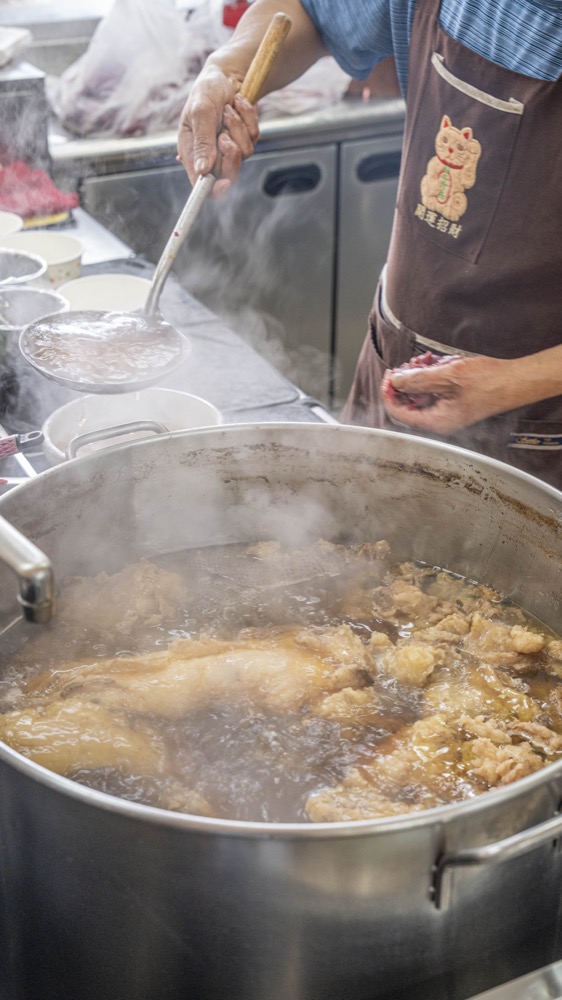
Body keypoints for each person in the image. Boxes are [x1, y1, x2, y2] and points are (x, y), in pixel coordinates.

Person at [178, 0, 562, 490]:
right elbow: (307, 12)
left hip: (539, 435)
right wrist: (226, 68)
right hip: (393, 362)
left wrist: (509, 383)